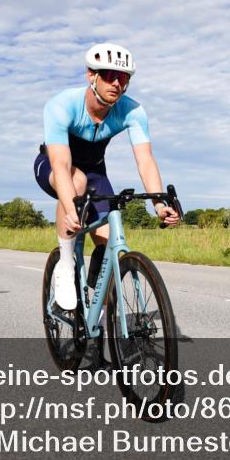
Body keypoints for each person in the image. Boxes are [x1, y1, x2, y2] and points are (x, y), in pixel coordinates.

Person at [34, 43, 179, 311]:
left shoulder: (132, 111)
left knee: (110, 237)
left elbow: (145, 160)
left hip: (95, 172)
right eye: (110, 76)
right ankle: (66, 264)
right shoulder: (62, 105)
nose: (117, 84)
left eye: (123, 78)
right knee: (75, 183)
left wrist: (159, 204)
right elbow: (61, 163)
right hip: (54, 166)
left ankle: (98, 305)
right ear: (92, 76)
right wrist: (69, 207)